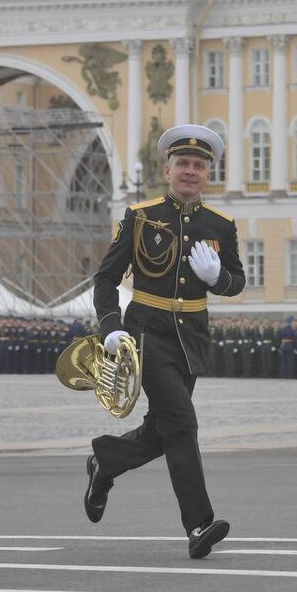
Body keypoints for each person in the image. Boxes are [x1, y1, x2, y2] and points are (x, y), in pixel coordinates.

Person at [83, 124, 244, 559]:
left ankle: (106, 461)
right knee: (183, 424)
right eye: (183, 164)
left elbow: (237, 283)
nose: (190, 171)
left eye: (199, 165)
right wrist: (110, 326)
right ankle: (199, 523)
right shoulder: (141, 216)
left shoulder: (221, 225)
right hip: (146, 335)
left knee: (165, 428)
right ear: (167, 169)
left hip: (191, 338)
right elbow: (105, 279)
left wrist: (220, 279)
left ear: (209, 173)